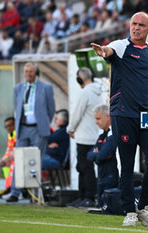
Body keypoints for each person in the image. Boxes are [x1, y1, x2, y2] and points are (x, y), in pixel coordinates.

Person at [91, 12, 148, 228]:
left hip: (147, 115)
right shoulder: (121, 46)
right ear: (129, 25)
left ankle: (144, 207)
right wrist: (103, 51)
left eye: (142, 25)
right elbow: (108, 51)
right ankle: (129, 211)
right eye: (134, 24)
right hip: (123, 113)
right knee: (127, 164)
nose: (136, 28)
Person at [9, 62, 55, 203]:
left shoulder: (46, 87)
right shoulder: (18, 88)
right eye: (26, 71)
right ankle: (15, 192)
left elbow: (51, 109)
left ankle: (34, 193)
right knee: (19, 159)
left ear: (35, 72)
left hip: (38, 128)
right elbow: (16, 106)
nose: (28, 74)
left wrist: (43, 123)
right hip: (22, 128)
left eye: (31, 71)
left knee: (36, 160)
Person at [66, 67, 103, 208]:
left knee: (85, 168)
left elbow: (76, 114)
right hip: (92, 135)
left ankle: (88, 197)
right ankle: (82, 196)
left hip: (83, 136)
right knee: (84, 167)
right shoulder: (97, 91)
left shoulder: (85, 92)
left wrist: (70, 129)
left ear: (80, 78)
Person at [87, 104, 119, 209]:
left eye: (98, 119)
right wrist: (98, 154)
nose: (96, 122)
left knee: (108, 208)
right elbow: (90, 155)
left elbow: (102, 155)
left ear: (108, 117)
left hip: (111, 177)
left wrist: (97, 155)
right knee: (101, 207)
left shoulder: (113, 134)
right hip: (102, 176)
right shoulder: (102, 136)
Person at [0, 117, 16, 198]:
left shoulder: (17, 134)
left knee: (11, 165)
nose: (8, 128)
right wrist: (3, 159)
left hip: (17, 158)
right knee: (4, 165)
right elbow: (9, 150)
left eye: (10, 125)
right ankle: (8, 187)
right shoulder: (10, 135)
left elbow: (16, 150)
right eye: (6, 126)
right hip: (12, 157)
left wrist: (5, 160)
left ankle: (10, 187)